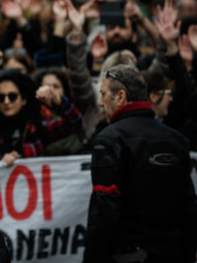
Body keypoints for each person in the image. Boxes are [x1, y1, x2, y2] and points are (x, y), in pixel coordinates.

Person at [84, 65, 197, 262]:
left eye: (103, 95)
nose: (101, 103)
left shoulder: (109, 139)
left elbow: (104, 210)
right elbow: (188, 207)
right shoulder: (177, 140)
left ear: (120, 97)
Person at [0, 69, 83, 164]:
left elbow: (75, 122)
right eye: (1, 97)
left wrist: (58, 101)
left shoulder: (36, 127)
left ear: (23, 100)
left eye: (12, 96)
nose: (6, 101)